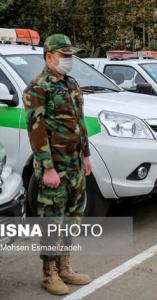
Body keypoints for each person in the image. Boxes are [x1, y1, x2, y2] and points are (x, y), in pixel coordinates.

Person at [22, 34, 92, 295]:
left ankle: (65, 267)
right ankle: (49, 275)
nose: (69, 60)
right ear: (49, 57)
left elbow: (80, 123)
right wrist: (47, 168)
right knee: (53, 219)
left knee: (73, 217)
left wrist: (86, 155)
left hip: (75, 164)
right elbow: (36, 131)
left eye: (70, 55)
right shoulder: (38, 87)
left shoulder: (71, 83)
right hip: (55, 167)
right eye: (64, 55)